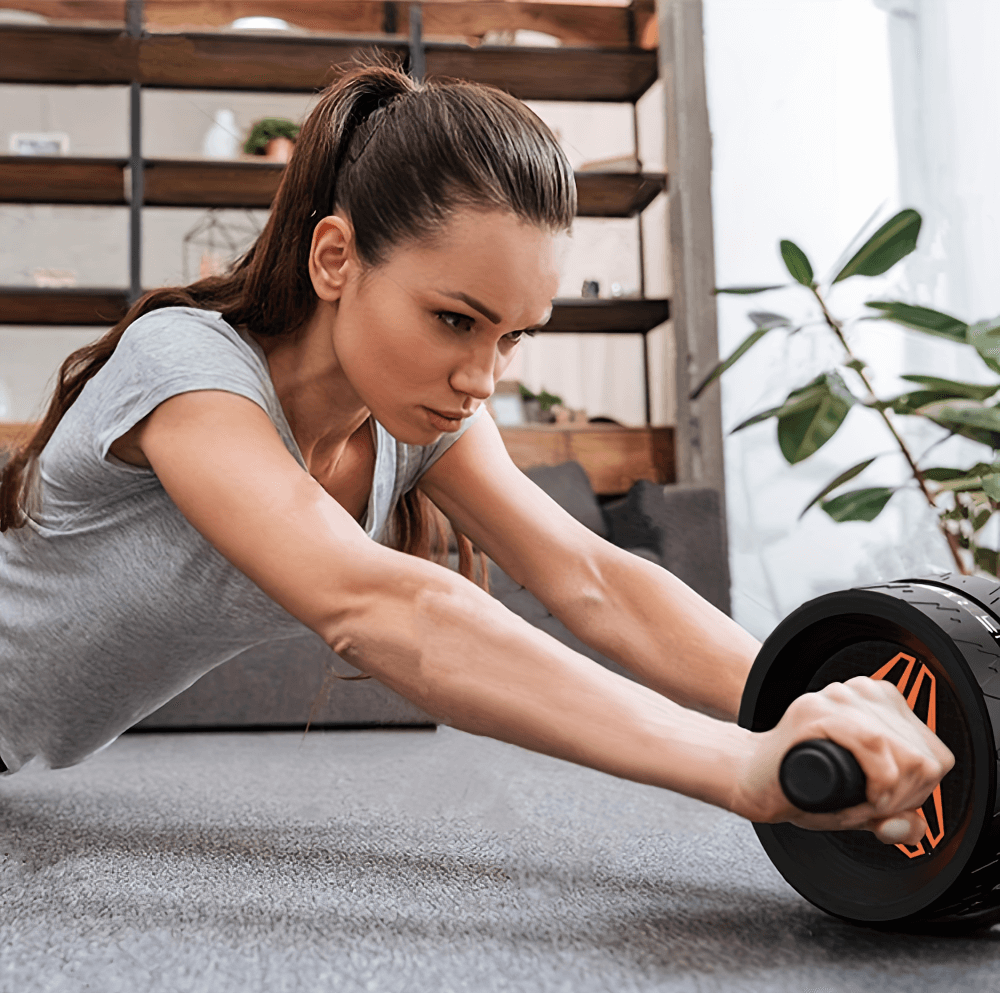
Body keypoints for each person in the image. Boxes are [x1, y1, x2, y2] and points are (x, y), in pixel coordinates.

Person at [0, 55, 952, 848]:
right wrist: (736, 765)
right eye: (454, 318)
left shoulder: (420, 420)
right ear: (335, 258)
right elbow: (378, 604)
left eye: (512, 335)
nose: (481, 375)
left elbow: (593, 578)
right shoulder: (187, 370)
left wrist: (808, 709)